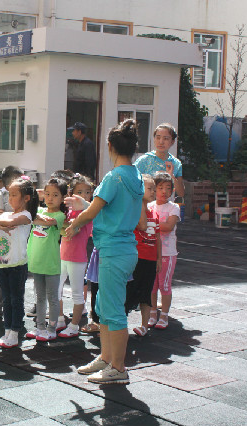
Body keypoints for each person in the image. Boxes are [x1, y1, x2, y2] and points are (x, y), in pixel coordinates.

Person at [67, 119, 143, 385]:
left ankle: (118, 368)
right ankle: (107, 358)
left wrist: (74, 224)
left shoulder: (115, 176)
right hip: (121, 248)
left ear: (109, 146)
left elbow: (92, 212)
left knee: (112, 310)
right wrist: (85, 204)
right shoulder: (135, 176)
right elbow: (110, 208)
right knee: (105, 306)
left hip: (112, 250)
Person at [0, 177, 38, 348]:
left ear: (26, 198)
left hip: (17, 264)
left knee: (16, 299)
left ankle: (15, 332)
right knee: (6, 300)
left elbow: (8, 223)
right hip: (2, 264)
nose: (10, 198)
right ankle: (7, 330)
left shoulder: (25, 215)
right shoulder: (6, 214)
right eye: (9, 194)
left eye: (14, 195)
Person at [25, 178, 67, 342]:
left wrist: (29, 217)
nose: (50, 198)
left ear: (63, 198)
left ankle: (52, 328)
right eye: (47, 194)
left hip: (51, 265)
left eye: (55, 195)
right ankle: (40, 327)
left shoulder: (60, 215)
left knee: (52, 298)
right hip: (37, 263)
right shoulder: (40, 211)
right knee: (39, 298)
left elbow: (47, 223)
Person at [58, 174, 95, 338]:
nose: (84, 195)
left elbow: (80, 227)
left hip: (78, 259)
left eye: (87, 192)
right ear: (71, 193)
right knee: (55, 290)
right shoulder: (67, 211)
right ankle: (59, 319)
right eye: (79, 191)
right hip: (62, 256)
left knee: (77, 293)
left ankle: (74, 326)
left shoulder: (89, 213)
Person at [125, 174, 161, 336]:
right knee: (129, 291)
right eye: (149, 188)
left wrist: (159, 258)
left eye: (154, 188)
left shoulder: (154, 213)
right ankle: (120, 325)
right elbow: (140, 226)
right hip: (136, 258)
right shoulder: (134, 211)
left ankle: (144, 325)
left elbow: (158, 238)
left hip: (150, 260)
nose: (153, 191)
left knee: (146, 293)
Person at [147, 171, 180, 330]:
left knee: (164, 285)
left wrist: (150, 225)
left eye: (168, 188)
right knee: (151, 285)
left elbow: (168, 227)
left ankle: (164, 315)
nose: (164, 192)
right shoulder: (148, 206)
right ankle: (153, 313)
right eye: (160, 188)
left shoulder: (173, 207)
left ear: (172, 190)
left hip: (167, 253)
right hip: (151, 252)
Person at [0, 165, 23, 319]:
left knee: (16, 276)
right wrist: (5, 218)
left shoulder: (24, 196)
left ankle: (14, 309)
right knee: (1, 275)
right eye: (18, 179)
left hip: (19, 241)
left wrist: (7, 216)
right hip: (4, 242)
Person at [134, 123, 185, 198]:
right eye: (158, 138)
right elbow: (132, 184)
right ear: (154, 139)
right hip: (145, 206)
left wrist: (171, 176)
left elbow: (181, 193)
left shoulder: (176, 163)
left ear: (172, 141)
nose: (161, 142)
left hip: (165, 207)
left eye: (166, 138)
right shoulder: (144, 160)